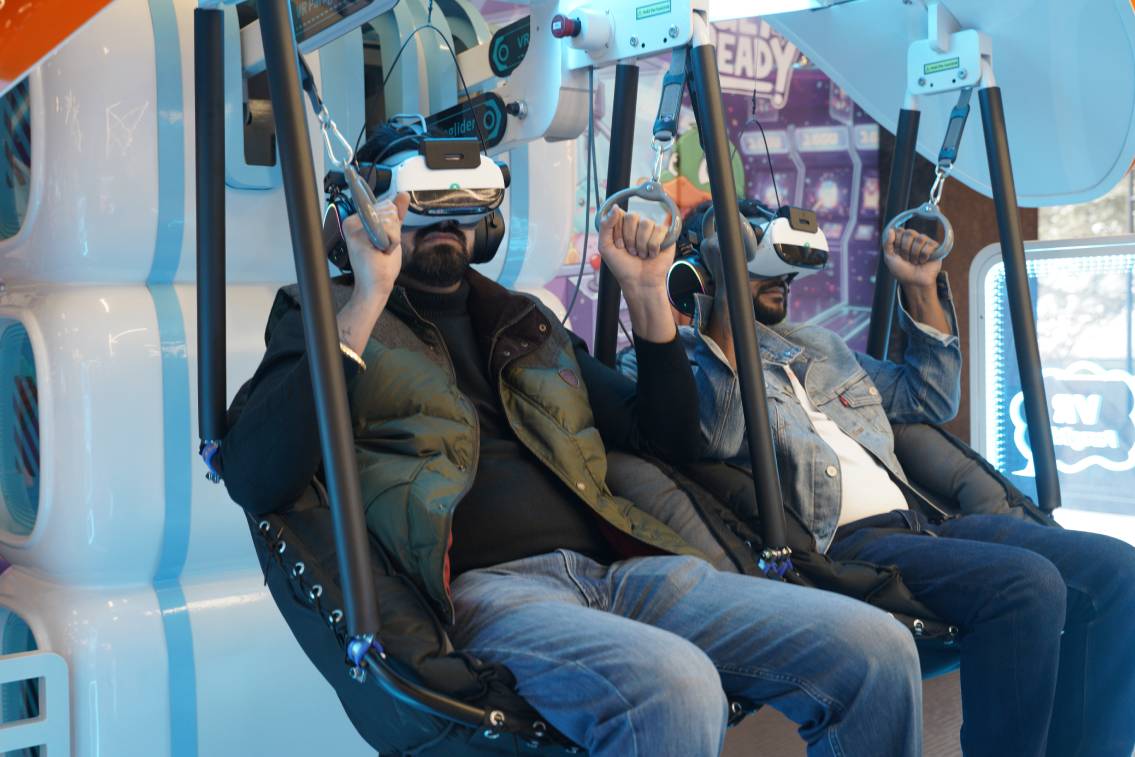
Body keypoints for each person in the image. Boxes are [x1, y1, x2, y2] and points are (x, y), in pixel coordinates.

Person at [218, 124, 926, 757]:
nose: (444, 221)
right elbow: (258, 476)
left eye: (461, 203)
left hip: (628, 572)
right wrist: (366, 295)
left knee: (877, 646)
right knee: (676, 687)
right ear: (360, 213)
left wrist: (648, 295)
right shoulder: (324, 312)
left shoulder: (526, 320)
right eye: (418, 201)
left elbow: (668, 438)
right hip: (495, 596)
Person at [657, 201, 1135, 757]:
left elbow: (928, 397)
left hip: (925, 525)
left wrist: (920, 288)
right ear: (700, 271)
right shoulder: (677, 368)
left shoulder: (819, 347)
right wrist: (726, 311)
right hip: (838, 546)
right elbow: (718, 435)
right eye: (750, 256)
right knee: (1026, 585)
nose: (779, 277)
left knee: (1117, 570)